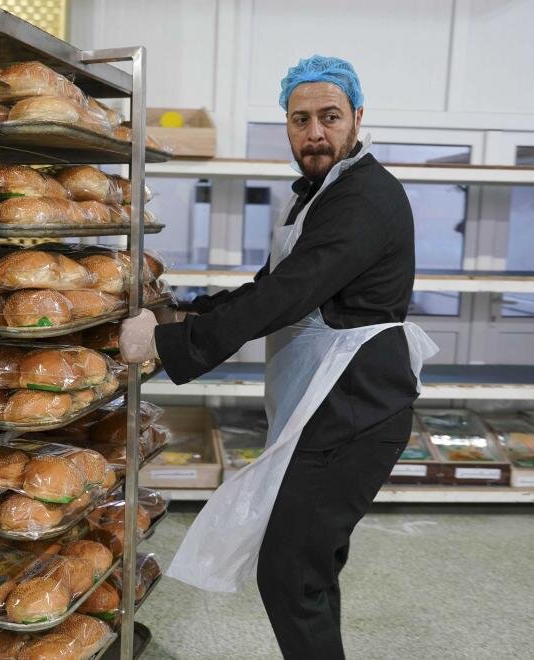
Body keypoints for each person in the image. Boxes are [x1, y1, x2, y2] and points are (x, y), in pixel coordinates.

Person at [120, 55, 428, 658]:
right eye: (299, 119)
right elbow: (269, 284)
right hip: (332, 404)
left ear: (357, 117)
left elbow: (289, 295)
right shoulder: (321, 195)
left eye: (329, 117)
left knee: (291, 573)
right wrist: (182, 313)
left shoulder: (364, 197)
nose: (314, 133)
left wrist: (166, 343)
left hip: (355, 409)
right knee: (308, 568)